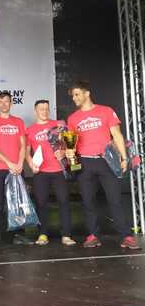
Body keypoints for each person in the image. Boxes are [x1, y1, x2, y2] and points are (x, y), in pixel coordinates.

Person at [66, 81, 139, 249]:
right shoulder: (72, 118)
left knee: (115, 200)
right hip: (84, 163)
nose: (74, 98)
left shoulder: (106, 111)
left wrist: (124, 158)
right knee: (88, 201)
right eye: (73, 96)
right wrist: (70, 153)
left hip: (106, 161)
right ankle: (93, 235)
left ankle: (126, 236)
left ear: (87, 93)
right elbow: (71, 145)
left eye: (77, 94)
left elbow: (117, 135)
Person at [25, 99, 76, 246]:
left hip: (59, 170)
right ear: (35, 111)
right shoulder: (30, 129)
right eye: (41, 109)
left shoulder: (59, 125)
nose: (45, 111)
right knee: (41, 202)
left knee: (64, 201)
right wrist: (30, 163)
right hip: (41, 171)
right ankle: (42, 234)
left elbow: (70, 144)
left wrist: (65, 152)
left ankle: (66, 235)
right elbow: (27, 152)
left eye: (47, 109)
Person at [0, 91, 31, 247]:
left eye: (7, 101)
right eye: (1, 101)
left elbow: (23, 145)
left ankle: (18, 235)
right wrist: (9, 163)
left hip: (17, 168)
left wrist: (19, 163)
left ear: (11, 103)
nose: (4, 104)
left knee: (18, 203)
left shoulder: (18, 121)